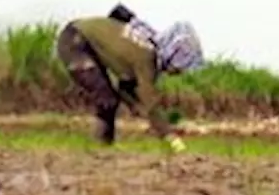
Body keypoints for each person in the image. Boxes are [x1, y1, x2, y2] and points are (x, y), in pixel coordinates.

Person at [56, 13, 204, 149]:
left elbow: (126, 89)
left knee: (109, 99)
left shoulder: (149, 50)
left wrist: (139, 110)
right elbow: (150, 103)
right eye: (181, 66)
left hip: (80, 35)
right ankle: (100, 147)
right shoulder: (147, 60)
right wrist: (171, 138)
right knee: (106, 99)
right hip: (75, 41)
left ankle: (104, 147)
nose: (180, 72)